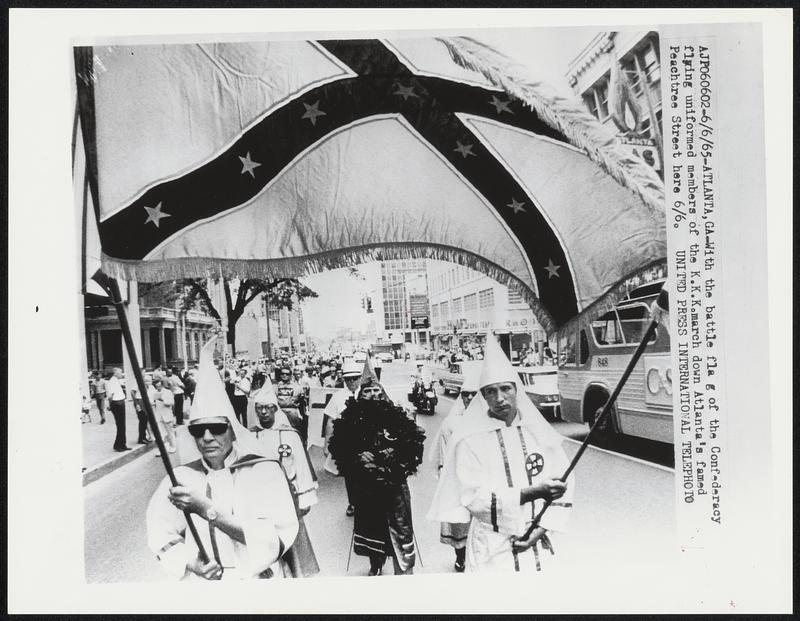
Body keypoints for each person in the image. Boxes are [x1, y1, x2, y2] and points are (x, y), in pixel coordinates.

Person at [146, 339, 301, 580]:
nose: (207, 437)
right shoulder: (180, 478)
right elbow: (160, 530)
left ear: (232, 430)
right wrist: (190, 562)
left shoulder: (265, 471)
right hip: (205, 587)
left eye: (216, 428)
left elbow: (276, 534)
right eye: (199, 430)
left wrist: (207, 509)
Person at [428, 337, 574, 573]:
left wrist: (538, 532)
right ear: (483, 397)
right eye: (490, 392)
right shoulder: (470, 441)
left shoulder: (538, 433)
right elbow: (473, 498)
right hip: (492, 547)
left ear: (517, 390)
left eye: (505, 388)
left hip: (537, 541)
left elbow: (565, 483)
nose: (499, 398)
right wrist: (533, 492)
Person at [329, 371, 425, 576]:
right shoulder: (349, 418)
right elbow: (339, 448)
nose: (373, 394)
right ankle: (376, 565)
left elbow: (413, 444)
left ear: (382, 392)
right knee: (371, 525)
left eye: (376, 390)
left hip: (394, 484)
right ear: (360, 394)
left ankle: (404, 570)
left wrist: (394, 456)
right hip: (366, 486)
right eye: (368, 390)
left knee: (401, 527)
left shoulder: (397, 415)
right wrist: (358, 458)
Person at [429, 366, 482, 572]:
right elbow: (444, 453)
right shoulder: (451, 423)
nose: (469, 398)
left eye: (473, 394)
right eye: (465, 395)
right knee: (459, 520)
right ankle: (460, 556)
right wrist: (445, 477)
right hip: (458, 478)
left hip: (482, 478)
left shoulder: (490, 420)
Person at [250, 389, 318, 515]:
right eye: (259, 408)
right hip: (259, 493)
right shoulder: (250, 436)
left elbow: (301, 465)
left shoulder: (290, 435)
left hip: (287, 491)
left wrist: (305, 498)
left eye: (268, 407)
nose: (264, 412)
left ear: (275, 409)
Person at [322, 361, 364, 516]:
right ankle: (353, 503)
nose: (352, 382)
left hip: (367, 441)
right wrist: (327, 444)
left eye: (354, 378)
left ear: (360, 378)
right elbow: (331, 421)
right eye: (348, 379)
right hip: (347, 442)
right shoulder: (338, 396)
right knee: (350, 475)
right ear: (344, 380)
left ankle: (367, 503)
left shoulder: (368, 393)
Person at [274, 366, 306, 442]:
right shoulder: (275, 387)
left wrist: (301, 415)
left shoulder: (297, 387)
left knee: (294, 432)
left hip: (292, 411)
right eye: (283, 373)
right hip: (280, 411)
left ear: (291, 375)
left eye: (287, 374)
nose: (284, 375)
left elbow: (302, 402)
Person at [106, 367, 129, 452]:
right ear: (115, 373)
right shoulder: (112, 381)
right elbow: (110, 395)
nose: (121, 374)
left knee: (122, 425)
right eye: (120, 373)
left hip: (120, 402)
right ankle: (119, 445)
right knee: (120, 425)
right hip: (117, 403)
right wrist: (110, 406)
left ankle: (122, 444)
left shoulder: (115, 381)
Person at [152, 378, 177, 454]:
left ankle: (173, 446)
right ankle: (160, 449)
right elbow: (152, 403)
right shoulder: (154, 392)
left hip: (167, 414)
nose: (158, 387)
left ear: (162, 384)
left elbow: (172, 403)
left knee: (170, 432)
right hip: (158, 415)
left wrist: (162, 399)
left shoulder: (168, 392)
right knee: (159, 434)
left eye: (160, 385)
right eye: (157, 386)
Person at [130, 371, 154, 445]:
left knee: (145, 420)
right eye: (143, 372)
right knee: (142, 420)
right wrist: (137, 404)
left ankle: (143, 437)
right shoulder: (137, 381)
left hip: (143, 401)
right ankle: (141, 438)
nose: (144, 374)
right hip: (139, 401)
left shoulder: (143, 380)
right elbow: (132, 392)